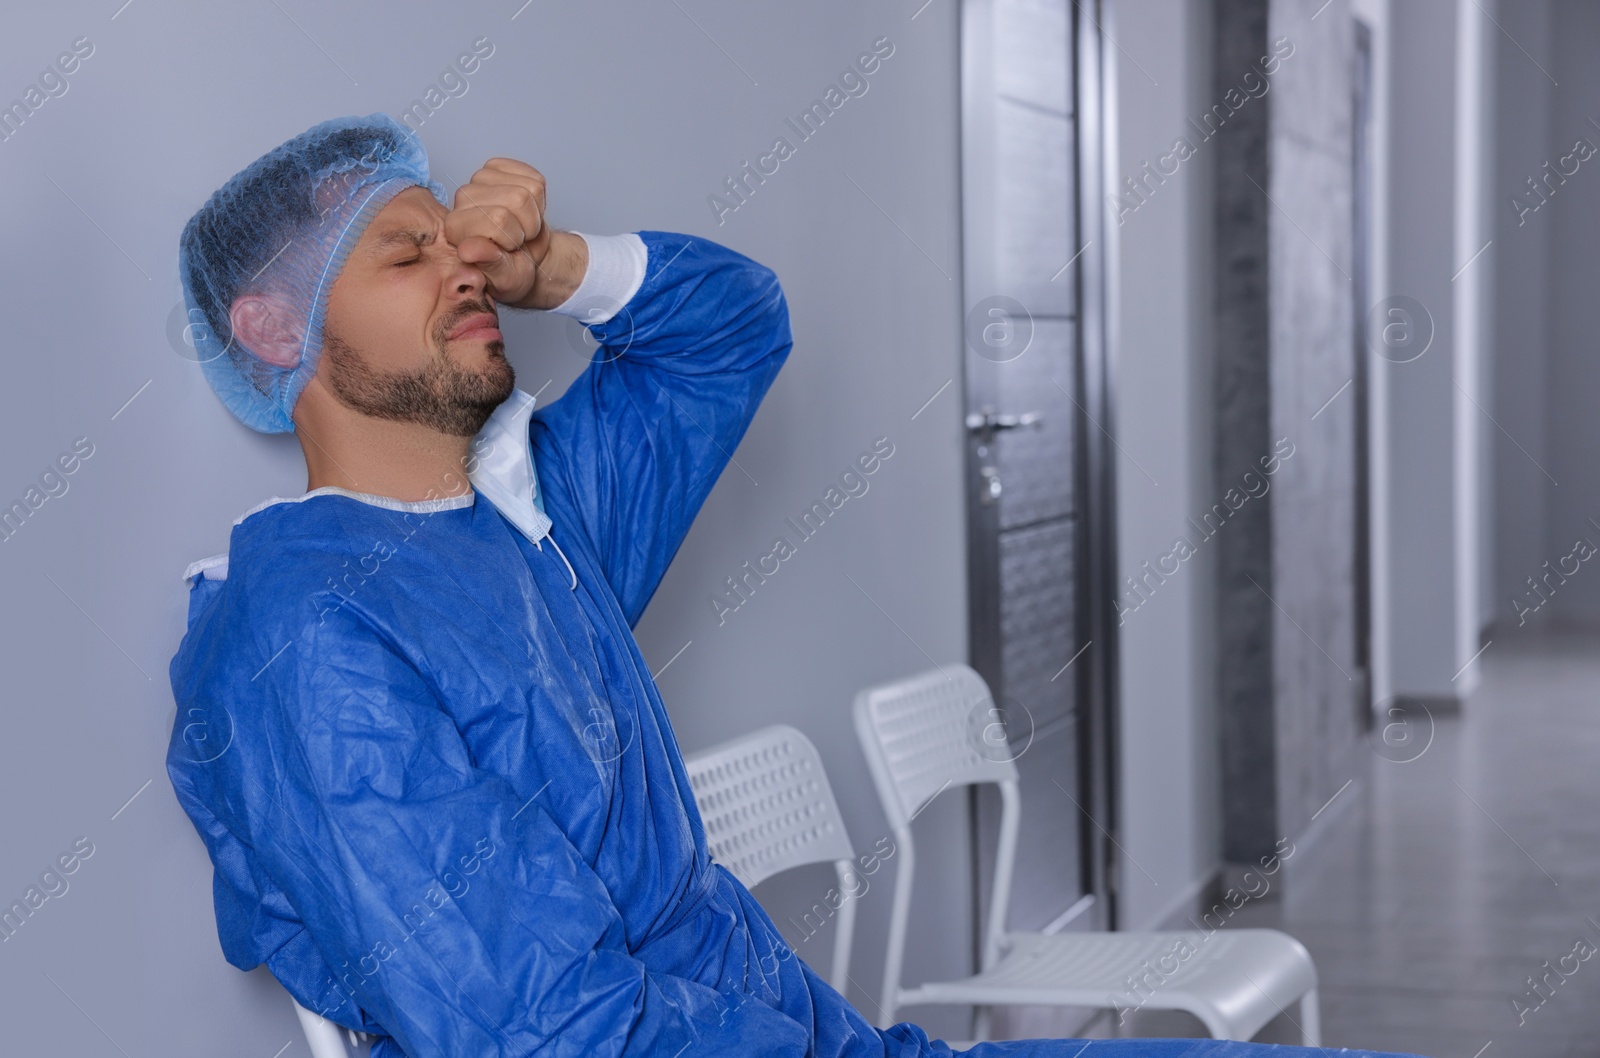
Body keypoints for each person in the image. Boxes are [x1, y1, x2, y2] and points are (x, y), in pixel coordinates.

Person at [165, 114, 1426, 1058]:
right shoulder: (310, 640)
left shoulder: (528, 517)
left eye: (466, 245)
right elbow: (549, 1033)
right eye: (406, 255)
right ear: (277, 332)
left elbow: (733, 330)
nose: (467, 271)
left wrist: (559, 265)